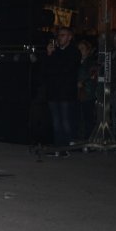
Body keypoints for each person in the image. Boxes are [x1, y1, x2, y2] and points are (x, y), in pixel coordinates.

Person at [44, 27, 81, 156]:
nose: (60, 38)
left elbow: (65, 68)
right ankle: (58, 146)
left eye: (63, 35)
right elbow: (47, 69)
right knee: (56, 121)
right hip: (54, 91)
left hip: (66, 92)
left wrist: (54, 59)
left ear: (70, 37)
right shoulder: (55, 51)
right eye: (59, 35)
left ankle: (66, 147)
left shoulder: (74, 52)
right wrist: (49, 54)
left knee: (65, 121)